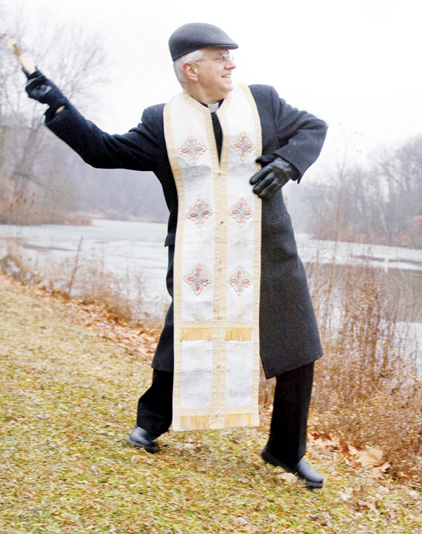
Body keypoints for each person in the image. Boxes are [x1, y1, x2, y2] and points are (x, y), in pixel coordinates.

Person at [23, 22, 327, 489]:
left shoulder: (262, 101)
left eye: (232, 55)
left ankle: (286, 450)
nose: (232, 63)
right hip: (197, 252)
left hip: (269, 250)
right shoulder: (160, 122)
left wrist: (287, 163)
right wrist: (59, 106)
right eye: (220, 56)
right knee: (183, 334)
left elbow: (312, 127)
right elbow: (103, 151)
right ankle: (150, 423)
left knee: (298, 345)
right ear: (191, 68)